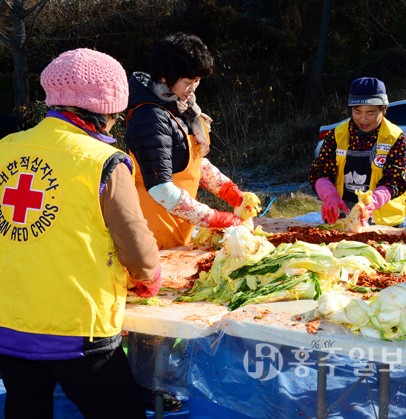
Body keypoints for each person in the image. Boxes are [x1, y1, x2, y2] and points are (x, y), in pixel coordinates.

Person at [0, 48, 161, 418]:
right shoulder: (103, 161)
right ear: (106, 111)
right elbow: (136, 247)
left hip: (8, 325)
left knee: (25, 409)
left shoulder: (5, 149)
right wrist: (149, 277)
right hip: (78, 332)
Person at [124, 32, 244, 250]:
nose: (193, 89)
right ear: (164, 77)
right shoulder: (150, 118)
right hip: (153, 231)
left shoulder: (180, 107)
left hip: (179, 229)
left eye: (197, 81)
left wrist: (228, 190)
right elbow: (161, 189)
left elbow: (189, 160)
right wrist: (215, 218)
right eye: (188, 82)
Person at [309, 77, 406, 227]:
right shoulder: (337, 134)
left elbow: (397, 179)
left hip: (383, 222)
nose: (363, 119)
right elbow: (319, 171)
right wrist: (329, 195)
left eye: (370, 113)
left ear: (384, 109)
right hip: (341, 219)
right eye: (357, 112)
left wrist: (373, 201)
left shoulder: (396, 138)